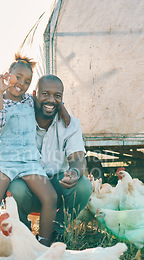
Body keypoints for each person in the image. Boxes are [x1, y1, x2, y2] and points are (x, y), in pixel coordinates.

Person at [0, 55, 69, 246]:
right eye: (18, 77)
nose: (21, 83)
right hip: (4, 160)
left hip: (29, 161)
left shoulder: (29, 101)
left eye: (27, 81)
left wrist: (64, 112)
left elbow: (50, 102)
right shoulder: (0, 102)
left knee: (50, 197)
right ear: (8, 75)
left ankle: (43, 243)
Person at [7, 74, 92, 241]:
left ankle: (55, 231)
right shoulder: (21, 119)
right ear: (34, 94)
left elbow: (79, 159)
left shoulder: (70, 124)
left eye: (57, 96)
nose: (51, 100)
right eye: (45, 94)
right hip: (27, 188)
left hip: (57, 186)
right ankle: (23, 236)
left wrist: (74, 172)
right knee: (15, 187)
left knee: (83, 187)